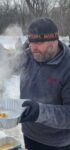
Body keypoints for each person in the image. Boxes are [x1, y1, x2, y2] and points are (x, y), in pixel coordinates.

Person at [19, 17, 70, 150]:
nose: (33, 48)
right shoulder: (29, 55)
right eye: (31, 42)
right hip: (29, 133)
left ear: (54, 42)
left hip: (55, 142)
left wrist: (38, 111)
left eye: (38, 43)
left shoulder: (67, 66)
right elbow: (7, 66)